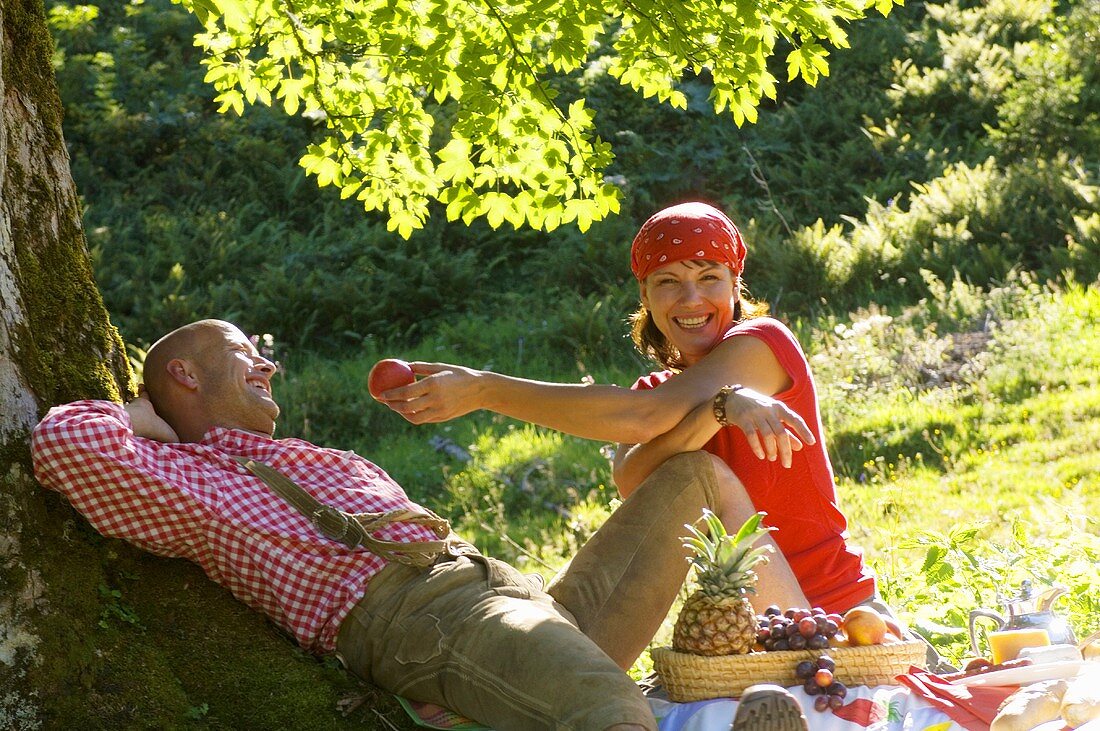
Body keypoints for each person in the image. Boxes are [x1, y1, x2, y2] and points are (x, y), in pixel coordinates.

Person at [31, 318, 809, 731]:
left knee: (688, 476)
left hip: (512, 598)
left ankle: (816, 637)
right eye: (244, 354)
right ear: (186, 376)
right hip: (424, 617)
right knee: (610, 714)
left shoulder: (287, 450)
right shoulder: (191, 477)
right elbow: (62, 442)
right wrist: (144, 418)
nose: (268, 366)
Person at [377, 201, 877, 616]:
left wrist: (485, 390)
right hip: (738, 621)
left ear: (735, 285)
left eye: (710, 278)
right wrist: (717, 411)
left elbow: (647, 417)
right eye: (668, 282)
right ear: (645, 294)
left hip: (833, 605)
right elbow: (635, 484)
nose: (691, 298)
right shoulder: (654, 387)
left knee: (707, 472)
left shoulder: (762, 345)